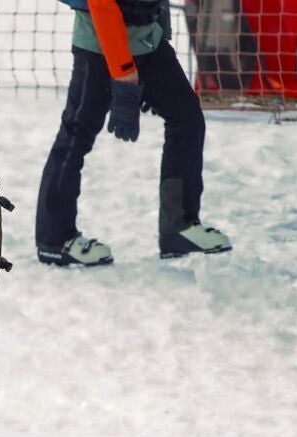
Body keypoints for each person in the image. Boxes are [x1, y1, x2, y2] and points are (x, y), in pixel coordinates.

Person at [36, 0, 232, 265]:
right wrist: (125, 75)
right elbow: (102, 5)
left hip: (148, 41)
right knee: (76, 134)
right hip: (99, 46)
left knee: (187, 118)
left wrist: (161, 31)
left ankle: (179, 226)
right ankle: (55, 240)